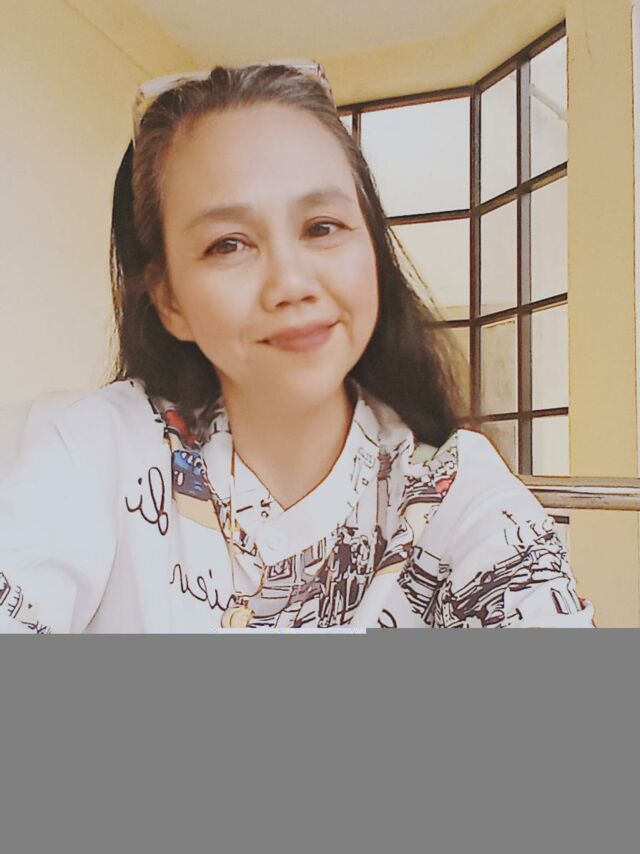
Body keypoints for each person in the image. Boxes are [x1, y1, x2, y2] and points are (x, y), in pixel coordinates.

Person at [0, 60, 595, 633]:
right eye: (229, 244)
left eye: (322, 227)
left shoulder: (452, 486)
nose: (291, 283)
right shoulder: (91, 454)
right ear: (170, 300)